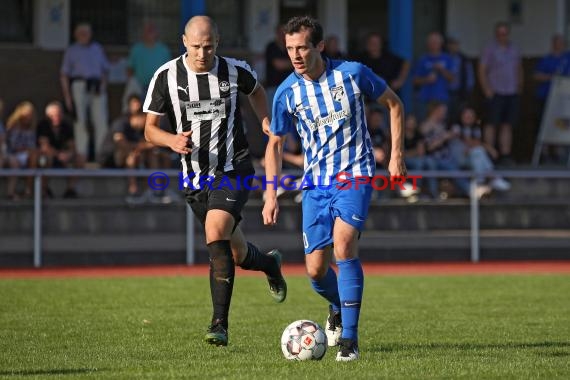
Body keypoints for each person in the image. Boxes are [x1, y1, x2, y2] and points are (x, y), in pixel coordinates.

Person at [262, 16, 406, 361]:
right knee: (314, 271)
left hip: (355, 174)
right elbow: (275, 145)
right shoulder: (287, 92)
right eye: (290, 48)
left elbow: (395, 104)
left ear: (320, 47)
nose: (295, 55)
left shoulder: (352, 74)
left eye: (302, 47)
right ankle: (338, 307)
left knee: (344, 246)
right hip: (315, 183)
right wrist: (270, 193)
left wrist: (397, 155)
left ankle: (350, 341)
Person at [143, 16, 287, 347]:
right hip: (194, 177)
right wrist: (171, 141)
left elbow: (258, 91)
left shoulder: (235, 71)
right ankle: (269, 263)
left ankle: (219, 324)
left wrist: (264, 120)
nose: (202, 53)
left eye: (208, 47)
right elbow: (149, 128)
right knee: (234, 252)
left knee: (214, 231)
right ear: (184, 42)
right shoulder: (165, 77)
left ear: (217, 43)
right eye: (195, 47)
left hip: (234, 169)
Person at [60, 22, 110, 162]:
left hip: (97, 85)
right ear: (76, 35)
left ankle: (101, 156)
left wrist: (103, 86)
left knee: (101, 121)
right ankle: (82, 156)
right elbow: (64, 75)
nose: (84, 35)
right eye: (81, 33)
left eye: (86, 33)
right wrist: (68, 97)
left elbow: (105, 70)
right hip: (79, 85)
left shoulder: (97, 49)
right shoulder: (71, 50)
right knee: (80, 121)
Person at [478, 21, 523, 165]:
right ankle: (490, 153)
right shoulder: (489, 49)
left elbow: (519, 68)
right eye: (499, 33)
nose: (501, 36)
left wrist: (519, 86)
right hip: (495, 91)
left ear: (508, 34)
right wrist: (487, 90)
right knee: (491, 123)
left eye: (504, 33)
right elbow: (481, 69)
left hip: (511, 91)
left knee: (507, 124)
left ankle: (505, 154)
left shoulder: (514, 49)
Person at [36, 101, 85, 198]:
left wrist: (69, 154)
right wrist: (59, 155)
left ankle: (70, 189)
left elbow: (72, 145)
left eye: (58, 115)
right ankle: (45, 189)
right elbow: (44, 146)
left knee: (80, 158)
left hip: (63, 156)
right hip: (48, 157)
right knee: (46, 158)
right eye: (53, 115)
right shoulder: (42, 126)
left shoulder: (66, 126)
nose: (56, 118)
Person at [413, 32, 455, 120]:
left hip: (442, 98)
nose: (434, 44)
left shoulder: (447, 58)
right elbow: (415, 80)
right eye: (431, 42)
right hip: (424, 98)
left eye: (436, 42)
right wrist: (426, 80)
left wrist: (442, 70)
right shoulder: (422, 59)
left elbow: (452, 78)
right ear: (428, 44)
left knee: (441, 126)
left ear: (441, 44)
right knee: (423, 124)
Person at [127, 21, 172, 97]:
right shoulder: (136, 49)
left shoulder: (164, 50)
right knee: (140, 109)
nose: (150, 33)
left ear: (157, 33)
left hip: (158, 88)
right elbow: (130, 69)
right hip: (140, 88)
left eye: (152, 31)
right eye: (148, 31)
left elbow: (170, 69)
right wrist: (132, 84)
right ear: (143, 33)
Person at [5, 101, 38, 200]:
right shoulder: (13, 127)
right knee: (33, 155)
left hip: (28, 155)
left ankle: (35, 190)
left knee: (38, 157)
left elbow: (33, 145)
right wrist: (28, 150)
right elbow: (13, 146)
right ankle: (25, 190)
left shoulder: (32, 129)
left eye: (30, 115)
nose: (28, 117)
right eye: (26, 114)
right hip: (14, 155)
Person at [446, 36, 475, 123]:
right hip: (445, 93)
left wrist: (467, 92)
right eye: (451, 44)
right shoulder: (444, 57)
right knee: (445, 117)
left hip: (460, 93)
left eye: (455, 44)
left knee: (458, 116)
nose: (453, 46)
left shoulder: (464, 59)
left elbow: (470, 78)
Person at [264, 24, 294, 107]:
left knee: (289, 115)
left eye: (284, 33)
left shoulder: (290, 47)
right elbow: (279, 65)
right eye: (280, 32)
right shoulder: (271, 47)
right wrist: (294, 63)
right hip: (273, 87)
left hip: (289, 87)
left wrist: (289, 63)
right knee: (274, 116)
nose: (282, 35)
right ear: (276, 33)